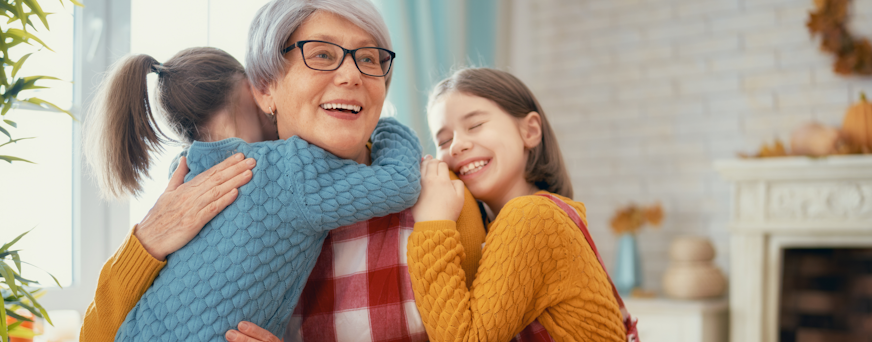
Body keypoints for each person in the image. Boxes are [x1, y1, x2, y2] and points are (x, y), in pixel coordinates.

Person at [79, 1, 488, 341]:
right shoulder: (196, 201)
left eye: (368, 58)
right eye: (322, 54)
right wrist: (146, 242)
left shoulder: (443, 200)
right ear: (263, 89)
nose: (351, 75)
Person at [407, 68, 628, 342]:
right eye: (444, 140)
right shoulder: (517, 221)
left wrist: (432, 223)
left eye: (475, 125)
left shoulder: (532, 217)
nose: (457, 146)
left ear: (530, 130)